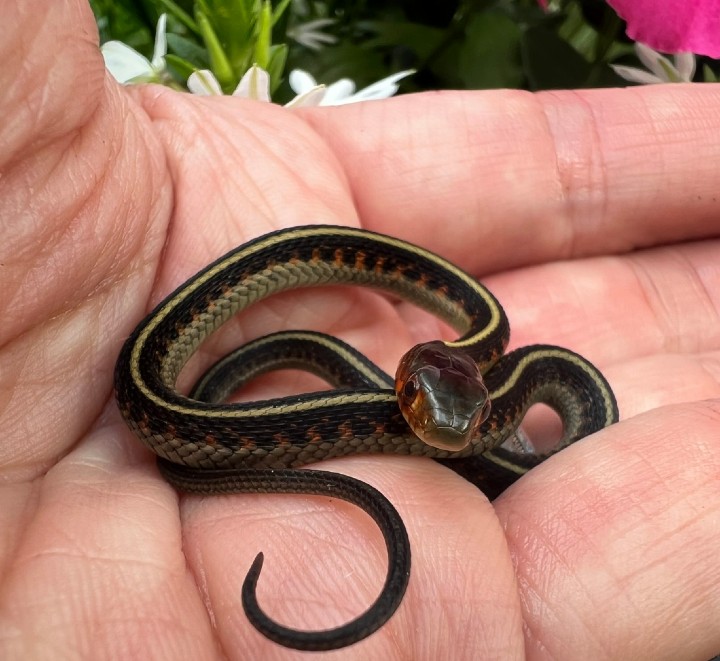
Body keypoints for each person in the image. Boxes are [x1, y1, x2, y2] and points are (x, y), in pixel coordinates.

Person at [2, 2, 719, 659]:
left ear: (475, 387)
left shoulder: (491, 355)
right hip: (156, 404)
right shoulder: (397, 344)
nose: (436, 431)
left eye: (459, 422)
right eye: (418, 409)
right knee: (186, 416)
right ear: (407, 380)